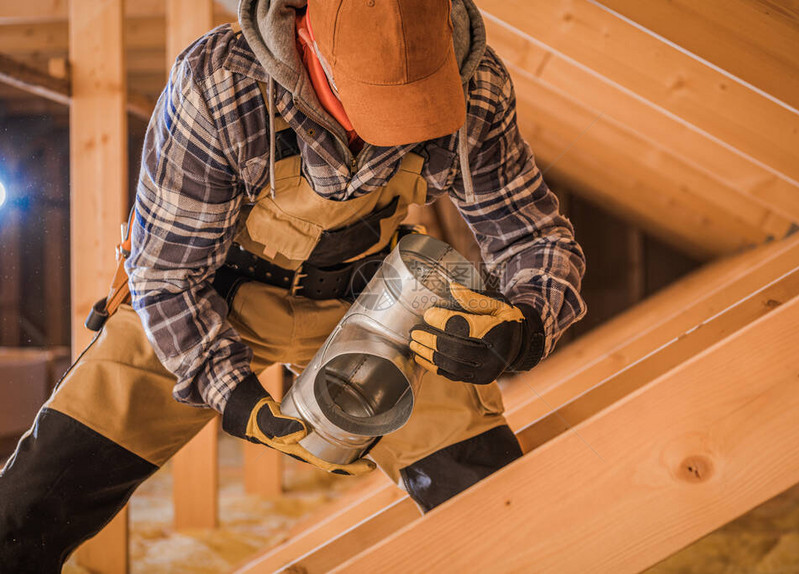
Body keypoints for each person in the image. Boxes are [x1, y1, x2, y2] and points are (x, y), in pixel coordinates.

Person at [0, 0, 586, 570]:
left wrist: (527, 325)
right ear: (306, 43)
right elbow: (167, 275)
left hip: (374, 297)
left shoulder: (476, 87)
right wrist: (229, 391)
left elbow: (534, 239)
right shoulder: (221, 84)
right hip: (206, 295)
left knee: (493, 501)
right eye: (374, 107)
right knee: (27, 510)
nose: (385, 137)